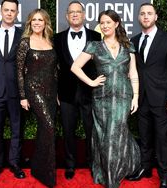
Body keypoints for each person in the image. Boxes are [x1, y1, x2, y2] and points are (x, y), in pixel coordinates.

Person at [71, 9, 141, 188]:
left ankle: (112, 179)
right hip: (102, 98)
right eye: (102, 23)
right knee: (104, 135)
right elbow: (75, 67)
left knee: (114, 135)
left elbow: (133, 73)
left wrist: (136, 97)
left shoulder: (128, 46)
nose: (105, 26)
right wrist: (91, 82)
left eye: (108, 22)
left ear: (116, 24)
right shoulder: (93, 46)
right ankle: (107, 173)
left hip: (124, 97)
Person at [128, 3, 167, 188]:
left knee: (162, 139)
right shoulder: (133, 41)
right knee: (144, 137)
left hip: (162, 98)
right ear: (138, 17)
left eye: (149, 13)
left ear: (156, 17)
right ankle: (145, 168)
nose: (145, 17)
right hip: (141, 98)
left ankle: (164, 174)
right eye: (142, 14)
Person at [53, 0, 101, 180]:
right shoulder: (57, 39)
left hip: (90, 92)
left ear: (84, 15)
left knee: (92, 131)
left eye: (78, 12)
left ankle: (92, 163)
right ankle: (70, 164)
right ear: (66, 16)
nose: (75, 14)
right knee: (68, 131)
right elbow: (53, 68)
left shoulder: (96, 36)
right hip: (65, 93)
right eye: (71, 12)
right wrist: (56, 92)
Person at [0, 0, 25, 180]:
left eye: (12, 10)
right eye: (6, 10)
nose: (9, 13)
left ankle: (15, 164)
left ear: (17, 13)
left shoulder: (23, 35)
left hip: (16, 91)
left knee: (17, 129)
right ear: (1, 11)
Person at [16, 8, 57, 187]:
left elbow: (55, 70)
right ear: (30, 23)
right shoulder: (25, 42)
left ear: (45, 22)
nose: (37, 23)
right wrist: (23, 96)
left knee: (44, 129)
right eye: (34, 20)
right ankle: (47, 175)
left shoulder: (50, 41)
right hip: (33, 89)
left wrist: (57, 94)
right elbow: (18, 71)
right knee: (48, 126)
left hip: (51, 90)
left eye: (40, 20)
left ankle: (38, 168)